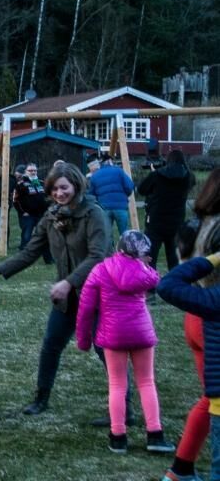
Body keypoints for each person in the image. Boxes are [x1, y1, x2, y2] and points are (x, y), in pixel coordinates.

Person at [0, 161, 114, 417]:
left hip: (98, 296)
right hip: (67, 299)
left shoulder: (94, 213)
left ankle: (124, 407)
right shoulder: (52, 215)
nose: (59, 194)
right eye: (54, 189)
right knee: (51, 345)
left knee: (105, 349)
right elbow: (31, 251)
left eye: (63, 188)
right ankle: (41, 398)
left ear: (75, 184)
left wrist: (68, 282)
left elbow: (98, 256)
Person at [76, 229, 168, 453]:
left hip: (113, 333)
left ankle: (118, 436)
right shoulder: (145, 272)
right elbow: (156, 279)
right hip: (141, 332)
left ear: (119, 248)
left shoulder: (100, 270)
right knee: (146, 382)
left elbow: (86, 308)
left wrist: (83, 339)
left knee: (117, 384)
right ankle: (155, 434)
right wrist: (144, 264)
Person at [160, 205, 220, 481]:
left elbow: (174, 278)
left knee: (211, 398)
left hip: (197, 316)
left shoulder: (197, 225)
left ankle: (181, 469)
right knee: (212, 399)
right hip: (207, 318)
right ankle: (181, 469)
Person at [139, 149, 194, 269]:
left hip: (155, 222)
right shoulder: (188, 177)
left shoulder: (157, 175)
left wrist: (154, 173)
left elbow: (141, 189)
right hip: (176, 223)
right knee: (174, 260)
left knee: (150, 259)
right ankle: (173, 285)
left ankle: (150, 285)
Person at [89, 154, 137, 235]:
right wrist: (125, 196)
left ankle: (110, 247)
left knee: (107, 234)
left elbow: (92, 194)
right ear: (110, 161)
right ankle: (124, 247)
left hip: (104, 208)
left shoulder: (94, 176)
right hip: (120, 207)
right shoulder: (119, 171)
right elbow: (129, 186)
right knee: (124, 233)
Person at [14, 162, 49, 257]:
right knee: (26, 236)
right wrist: (22, 212)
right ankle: (23, 255)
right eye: (30, 170)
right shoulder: (21, 184)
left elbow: (47, 197)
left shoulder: (41, 183)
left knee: (44, 235)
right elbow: (15, 200)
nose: (33, 172)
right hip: (28, 215)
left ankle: (48, 258)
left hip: (41, 214)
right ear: (25, 172)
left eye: (35, 170)